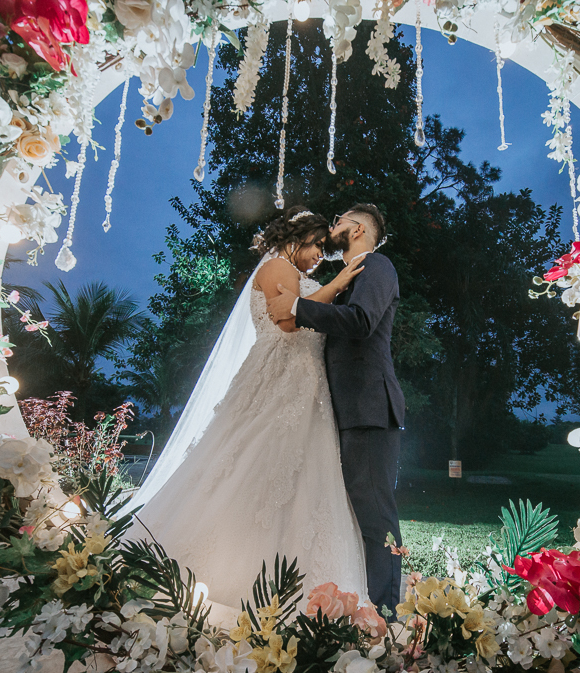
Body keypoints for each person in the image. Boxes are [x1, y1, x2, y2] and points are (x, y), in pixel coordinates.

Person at [121, 206, 370, 623]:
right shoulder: (277, 266)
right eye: (316, 248)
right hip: (281, 378)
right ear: (298, 239)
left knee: (299, 473)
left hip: (306, 385)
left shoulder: (291, 269)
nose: (319, 258)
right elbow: (288, 321)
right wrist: (338, 283)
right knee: (256, 461)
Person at [266, 203, 405, 618]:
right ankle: (362, 603)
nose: (333, 226)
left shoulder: (376, 265)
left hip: (368, 408)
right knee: (356, 512)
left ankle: (386, 612)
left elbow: (360, 321)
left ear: (358, 229)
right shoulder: (349, 278)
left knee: (375, 512)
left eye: (340, 220)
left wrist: (297, 307)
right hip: (347, 410)